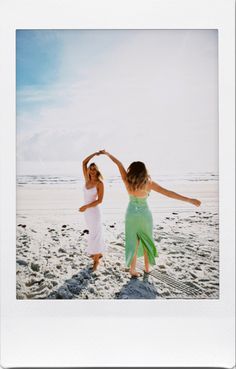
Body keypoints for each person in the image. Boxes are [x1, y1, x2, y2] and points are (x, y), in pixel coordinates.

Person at [100, 150, 201, 277]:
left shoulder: (127, 181)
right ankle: (147, 268)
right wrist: (189, 200)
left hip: (131, 214)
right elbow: (168, 193)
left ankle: (132, 270)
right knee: (147, 240)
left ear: (132, 171)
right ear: (143, 171)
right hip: (144, 215)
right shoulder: (148, 183)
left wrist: (107, 154)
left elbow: (118, 164)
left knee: (133, 241)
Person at [79, 151, 105, 271]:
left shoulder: (99, 183)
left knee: (96, 235)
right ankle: (97, 253)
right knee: (92, 234)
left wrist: (85, 206)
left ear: (97, 170)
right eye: (91, 168)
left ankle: (96, 261)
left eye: (95, 169)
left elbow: (99, 200)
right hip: (87, 213)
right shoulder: (87, 179)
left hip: (94, 211)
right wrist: (95, 153)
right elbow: (84, 162)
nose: (92, 170)